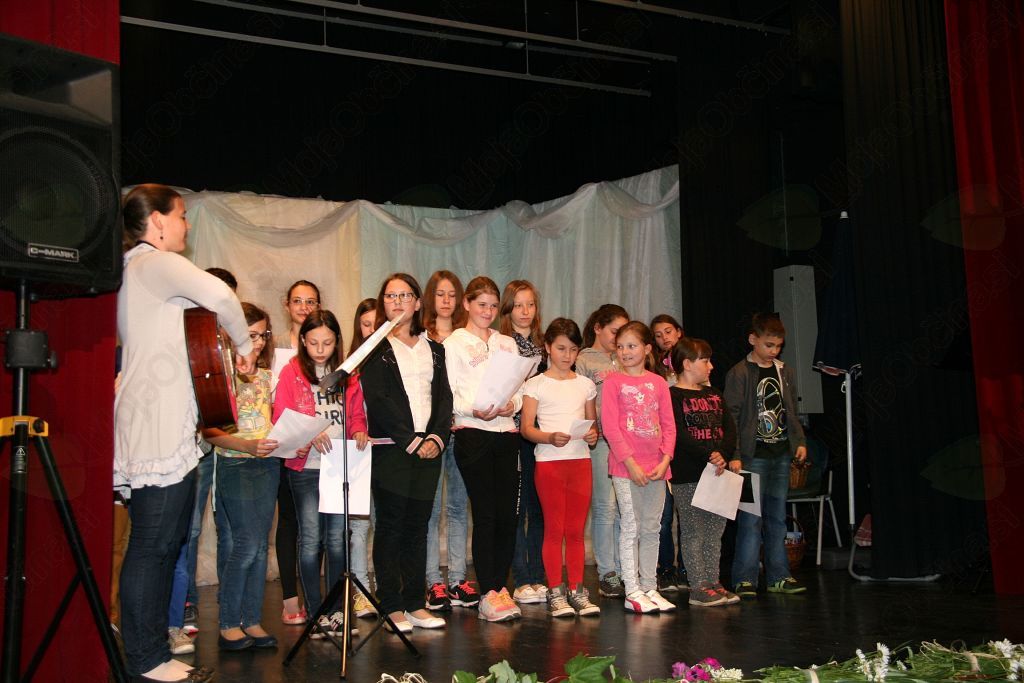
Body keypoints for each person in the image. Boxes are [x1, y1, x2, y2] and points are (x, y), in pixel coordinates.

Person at [116, 183, 254, 682]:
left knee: (164, 542)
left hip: (163, 419)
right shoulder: (152, 262)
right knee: (153, 544)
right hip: (154, 421)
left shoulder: (139, 270)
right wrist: (245, 346)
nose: (186, 225)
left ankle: (153, 652)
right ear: (157, 221)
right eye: (181, 215)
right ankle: (145, 660)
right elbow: (220, 295)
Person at [360, 273, 453, 633]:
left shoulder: (435, 349)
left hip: (430, 449)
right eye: (390, 296)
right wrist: (411, 441)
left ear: (417, 302)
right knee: (390, 526)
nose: (397, 302)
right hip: (394, 450)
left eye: (404, 295)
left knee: (418, 526)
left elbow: (443, 398)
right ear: (383, 303)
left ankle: (415, 603)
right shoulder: (375, 349)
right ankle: (391, 606)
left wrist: (437, 438)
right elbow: (379, 401)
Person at [274, 310, 369, 637]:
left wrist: (358, 430)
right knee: (310, 539)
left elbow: (355, 413)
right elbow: (281, 416)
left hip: (339, 467)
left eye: (327, 343)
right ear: (303, 340)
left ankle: (337, 610)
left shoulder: (347, 374)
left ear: (337, 342)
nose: (320, 349)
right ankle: (315, 612)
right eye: (313, 342)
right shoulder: (291, 372)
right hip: (306, 468)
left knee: (337, 541)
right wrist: (308, 434)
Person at [444, 276, 524, 622]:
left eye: (493, 306)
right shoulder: (454, 343)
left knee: (508, 515)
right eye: (481, 305)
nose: (488, 311)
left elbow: (520, 387)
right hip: (473, 432)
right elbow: (449, 393)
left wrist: (513, 404)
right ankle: (488, 592)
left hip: (506, 432)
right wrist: (472, 409)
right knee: (486, 513)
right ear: (466, 304)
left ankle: (501, 587)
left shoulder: (506, 342)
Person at [202, 303, 281, 649]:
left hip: (267, 464)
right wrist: (246, 446)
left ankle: (252, 619)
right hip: (234, 464)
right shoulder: (219, 376)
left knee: (260, 545)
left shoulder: (265, 376)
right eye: (251, 335)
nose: (258, 342)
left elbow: (271, 421)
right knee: (245, 543)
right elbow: (210, 432)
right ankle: (228, 623)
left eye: (263, 335)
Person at [520, 318, 600, 618]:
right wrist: (549, 437)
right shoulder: (535, 384)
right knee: (554, 529)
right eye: (561, 348)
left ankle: (577, 590)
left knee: (575, 530)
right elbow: (527, 429)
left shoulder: (585, 385)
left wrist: (592, 435)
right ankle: (555, 590)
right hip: (549, 463)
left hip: (580, 462)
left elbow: (592, 426)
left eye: (573, 349)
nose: (567, 355)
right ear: (548, 348)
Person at [725, 313, 808, 598]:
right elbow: (731, 417)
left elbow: (791, 411)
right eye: (769, 345)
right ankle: (744, 579)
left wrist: (799, 441)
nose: (774, 351)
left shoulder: (784, 371)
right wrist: (735, 453)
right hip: (752, 457)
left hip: (780, 455)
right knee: (750, 519)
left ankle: (779, 576)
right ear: (753, 339)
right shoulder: (739, 373)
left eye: (778, 346)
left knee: (777, 518)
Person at [601, 321, 676, 614]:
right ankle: (632, 589)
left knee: (652, 528)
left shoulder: (658, 383)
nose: (625, 352)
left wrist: (665, 459)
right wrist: (630, 462)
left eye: (631, 346)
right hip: (626, 468)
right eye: (620, 347)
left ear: (646, 349)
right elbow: (610, 427)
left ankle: (649, 586)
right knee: (631, 527)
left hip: (657, 467)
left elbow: (668, 425)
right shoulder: (613, 382)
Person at [420, 271, 476, 612]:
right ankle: (433, 581)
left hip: (461, 430)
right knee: (430, 508)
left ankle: (457, 578)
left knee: (457, 507)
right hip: (430, 433)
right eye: (440, 294)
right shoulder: (420, 336)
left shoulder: (465, 338)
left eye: (452, 294)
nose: (445, 300)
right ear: (430, 297)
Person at [668, 338, 738, 608]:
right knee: (693, 531)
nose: (711, 366)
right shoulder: (673, 396)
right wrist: (710, 454)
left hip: (717, 472)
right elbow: (679, 434)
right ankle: (698, 586)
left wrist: (723, 453)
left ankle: (713, 581)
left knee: (714, 531)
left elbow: (729, 428)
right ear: (687, 364)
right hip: (689, 473)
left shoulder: (714, 394)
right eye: (705, 361)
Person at [574, 304, 629, 599]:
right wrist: (591, 427)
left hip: (627, 444)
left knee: (624, 508)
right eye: (614, 331)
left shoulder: (625, 358)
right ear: (598, 328)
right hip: (601, 442)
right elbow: (580, 400)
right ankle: (607, 571)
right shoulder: (584, 359)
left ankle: (625, 568)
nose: (618, 338)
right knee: (605, 507)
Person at [274, 280, 321, 625]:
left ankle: (315, 597)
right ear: (287, 305)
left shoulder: (325, 348)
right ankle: (290, 598)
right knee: (289, 520)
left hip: (319, 449)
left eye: (311, 302)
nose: (304, 308)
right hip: (283, 446)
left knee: (318, 525)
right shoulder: (275, 348)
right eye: (298, 301)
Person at [499, 279, 547, 605]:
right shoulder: (502, 345)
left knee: (539, 508)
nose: (525, 311)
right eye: (518, 305)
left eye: (530, 304)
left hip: (544, 436)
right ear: (508, 309)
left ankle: (538, 575)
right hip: (514, 433)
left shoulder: (545, 346)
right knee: (516, 509)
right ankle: (521, 577)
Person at [346, 298, 379, 619]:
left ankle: (384, 585)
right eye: (366, 324)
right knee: (358, 526)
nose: (371, 330)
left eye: (376, 324)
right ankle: (360, 591)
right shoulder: (350, 366)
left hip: (386, 450)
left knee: (385, 524)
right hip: (357, 451)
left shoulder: (395, 360)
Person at [650, 313, 687, 595]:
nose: (665, 338)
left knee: (687, 514)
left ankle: (687, 568)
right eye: (658, 335)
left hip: (687, 448)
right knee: (663, 517)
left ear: (679, 332)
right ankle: (665, 569)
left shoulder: (692, 363)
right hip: (661, 447)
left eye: (668, 332)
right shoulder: (654, 370)